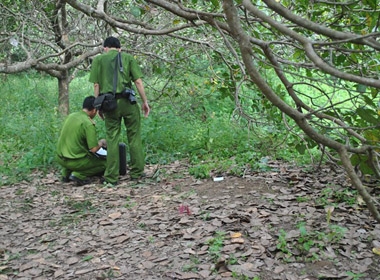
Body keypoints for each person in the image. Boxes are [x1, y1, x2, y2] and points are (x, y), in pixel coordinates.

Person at [89, 36, 150, 185]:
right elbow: (138, 81)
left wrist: (98, 106)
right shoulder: (127, 57)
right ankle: (136, 173)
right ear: (119, 48)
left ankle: (111, 177)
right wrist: (144, 101)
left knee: (112, 138)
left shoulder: (98, 60)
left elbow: (96, 85)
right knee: (134, 136)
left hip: (109, 105)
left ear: (105, 48)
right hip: (128, 103)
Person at [56, 96, 107, 186]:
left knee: (75, 151)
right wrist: (101, 143)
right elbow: (94, 149)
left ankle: (65, 173)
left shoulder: (71, 116)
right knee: (105, 163)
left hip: (60, 158)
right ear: (94, 110)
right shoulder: (88, 123)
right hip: (75, 161)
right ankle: (79, 175)